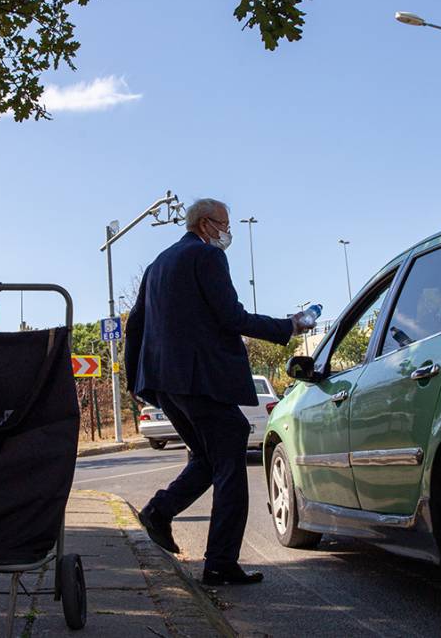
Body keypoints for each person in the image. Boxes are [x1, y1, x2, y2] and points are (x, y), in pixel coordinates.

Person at [125, 198, 311, 586]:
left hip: (166, 383)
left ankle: (159, 512)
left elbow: (135, 325)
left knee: (208, 461)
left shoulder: (158, 264)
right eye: (225, 224)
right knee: (230, 463)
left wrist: (138, 382)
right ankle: (220, 562)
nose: (229, 232)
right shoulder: (207, 257)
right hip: (201, 380)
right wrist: (288, 326)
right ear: (206, 224)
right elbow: (232, 317)